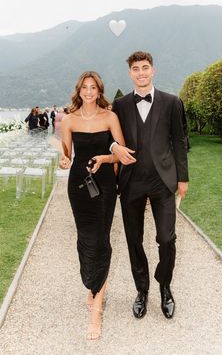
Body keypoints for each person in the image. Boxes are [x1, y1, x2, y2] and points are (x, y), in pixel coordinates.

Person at [111, 51, 189, 320]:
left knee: (166, 239)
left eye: (145, 67)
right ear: (130, 73)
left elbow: (179, 142)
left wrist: (183, 178)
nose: (141, 72)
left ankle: (165, 286)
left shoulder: (171, 102)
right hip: (131, 181)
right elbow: (107, 135)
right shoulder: (119, 105)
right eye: (136, 68)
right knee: (133, 240)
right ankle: (141, 290)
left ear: (153, 70)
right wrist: (113, 147)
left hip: (162, 180)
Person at [59, 71, 125, 340]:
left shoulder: (110, 117)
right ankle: (95, 284)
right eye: (84, 87)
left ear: (99, 91)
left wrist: (104, 159)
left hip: (105, 186)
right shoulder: (69, 120)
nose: (89, 91)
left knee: (101, 240)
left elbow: (121, 152)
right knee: (85, 239)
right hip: (79, 186)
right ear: (79, 90)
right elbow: (65, 156)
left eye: (93, 87)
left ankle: (96, 309)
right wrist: (62, 161)